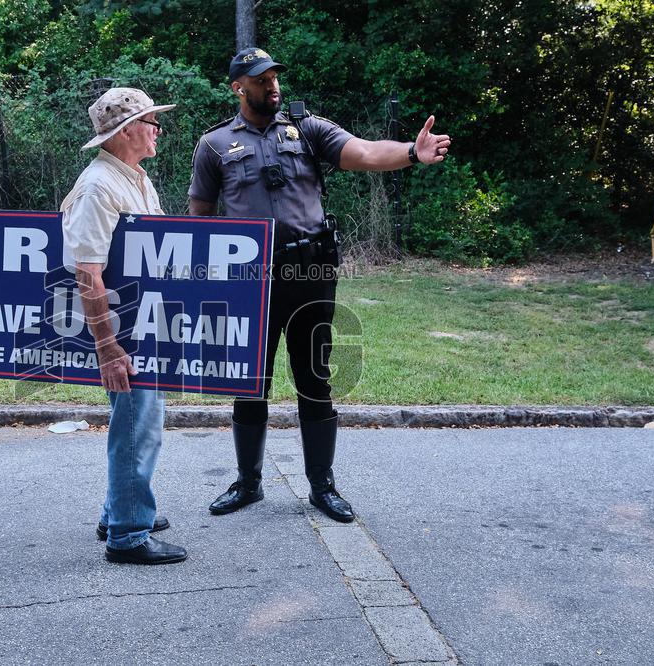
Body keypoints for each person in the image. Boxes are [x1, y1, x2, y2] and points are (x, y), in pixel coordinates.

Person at [189, 48, 451, 523]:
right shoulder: (213, 144)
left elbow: (368, 152)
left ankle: (322, 486)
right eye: (261, 79)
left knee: (314, 379)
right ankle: (248, 482)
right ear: (238, 87)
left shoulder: (307, 130)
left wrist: (413, 153)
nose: (273, 86)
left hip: (310, 276)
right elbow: (200, 219)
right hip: (249, 282)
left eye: (274, 77)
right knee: (249, 383)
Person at [61, 87, 187, 564]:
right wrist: (108, 349)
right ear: (127, 130)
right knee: (135, 424)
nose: (158, 130)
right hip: (124, 331)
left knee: (143, 422)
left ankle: (120, 508)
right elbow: (87, 274)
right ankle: (128, 535)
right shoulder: (99, 187)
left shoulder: (132, 176)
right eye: (152, 122)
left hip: (143, 323)